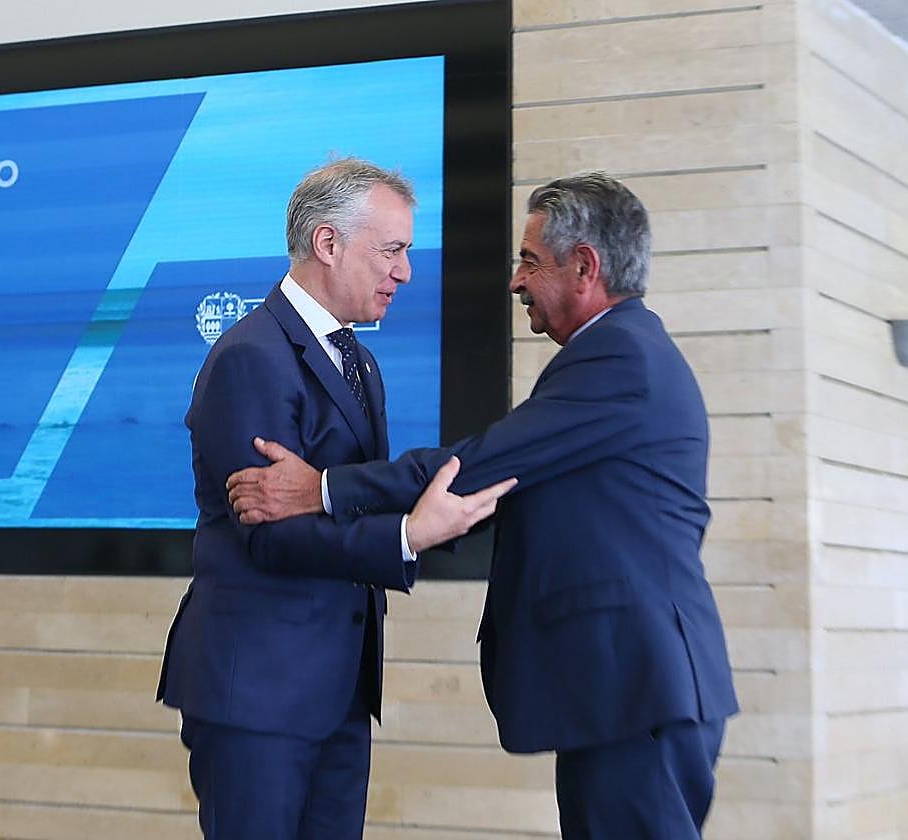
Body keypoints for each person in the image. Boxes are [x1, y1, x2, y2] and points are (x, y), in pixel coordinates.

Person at [227, 172, 739, 839]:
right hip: (627, 687)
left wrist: (320, 487)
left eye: (529, 261)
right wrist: (409, 528)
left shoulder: (621, 357)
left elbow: (485, 463)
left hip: (638, 687)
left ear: (585, 267)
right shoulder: (619, 352)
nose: (515, 281)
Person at [156, 157, 515, 840]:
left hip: (337, 690)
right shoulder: (250, 357)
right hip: (259, 691)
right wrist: (407, 537)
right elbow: (269, 532)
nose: (405, 272)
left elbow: (348, 501)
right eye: (393, 250)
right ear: (328, 243)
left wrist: (451, 517)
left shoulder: (360, 360)